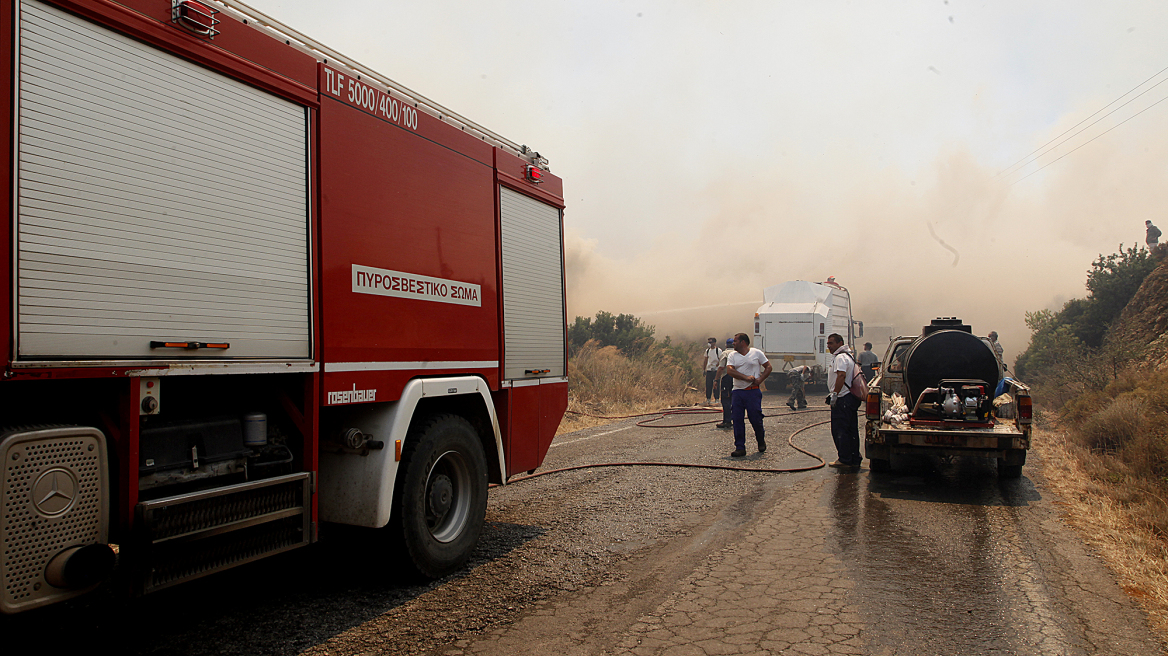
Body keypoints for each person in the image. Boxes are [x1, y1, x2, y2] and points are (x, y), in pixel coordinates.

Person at [726, 332, 771, 457]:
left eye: (735, 341)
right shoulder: (732, 356)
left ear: (743, 342)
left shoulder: (756, 353)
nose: (733, 343)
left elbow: (768, 366)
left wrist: (760, 379)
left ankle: (760, 441)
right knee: (737, 419)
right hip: (738, 392)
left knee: (755, 418)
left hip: (753, 391)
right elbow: (730, 370)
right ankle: (740, 447)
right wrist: (745, 378)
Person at [826, 333, 862, 470]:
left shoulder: (840, 357)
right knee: (851, 429)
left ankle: (845, 459)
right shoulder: (848, 356)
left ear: (840, 343)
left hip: (843, 399)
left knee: (840, 430)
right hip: (849, 399)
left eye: (831, 343)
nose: (829, 346)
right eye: (828, 343)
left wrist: (834, 394)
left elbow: (841, 375)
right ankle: (854, 458)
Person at [715, 338, 735, 429]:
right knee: (734, 399)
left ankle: (727, 421)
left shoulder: (725, 353)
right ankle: (736, 420)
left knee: (726, 400)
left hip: (727, 377)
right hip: (738, 378)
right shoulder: (739, 353)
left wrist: (716, 379)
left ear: (726, 345)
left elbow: (721, 368)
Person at [702, 337, 722, 405]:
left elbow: (721, 359)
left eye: (710, 342)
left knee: (716, 384)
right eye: (708, 342)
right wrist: (704, 369)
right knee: (708, 385)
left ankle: (716, 399)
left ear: (714, 343)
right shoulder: (707, 350)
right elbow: (705, 360)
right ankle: (708, 399)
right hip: (709, 370)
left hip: (716, 370)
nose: (709, 344)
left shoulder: (718, 350)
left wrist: (718, 365)